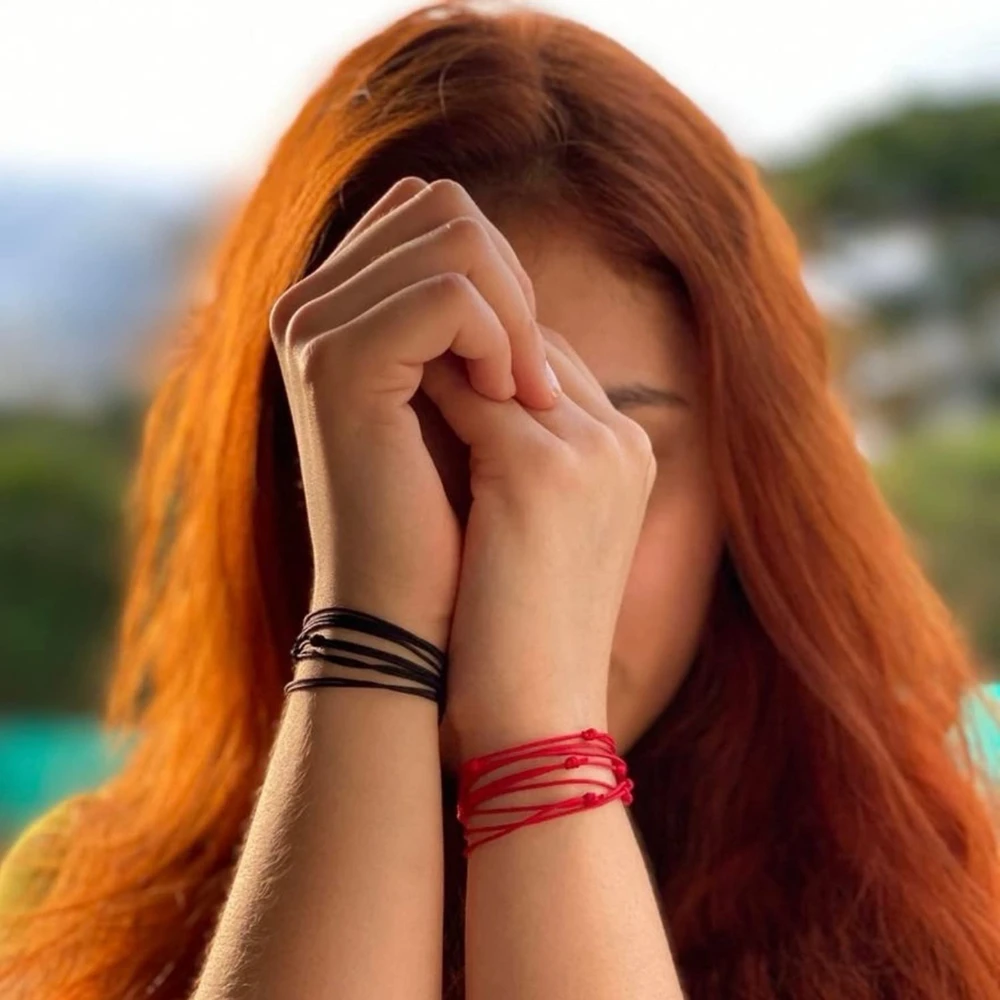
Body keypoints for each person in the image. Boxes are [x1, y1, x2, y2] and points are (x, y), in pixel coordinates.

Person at [1, 1, 999, 997]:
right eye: (404, 468)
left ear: (750, 489)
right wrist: (374, 644)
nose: (508, 567)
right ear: (291, 477)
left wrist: (533, 725)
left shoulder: (947, 916)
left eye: (605, 460)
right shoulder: (87, 908)